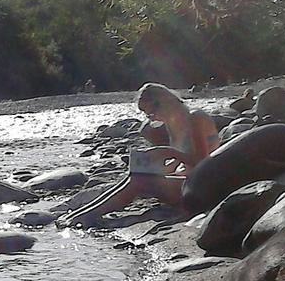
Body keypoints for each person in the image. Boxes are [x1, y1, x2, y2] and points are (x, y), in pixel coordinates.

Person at [59, 83, 220, 228]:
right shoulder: (173, 123)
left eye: (150, 113)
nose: (151, 118)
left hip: (203, 187)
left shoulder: (195, 118)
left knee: (140, 180)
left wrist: (168, 152)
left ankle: (87, 216)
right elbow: (184, 163)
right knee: (135, 175)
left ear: (164, 103)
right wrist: (157, 167)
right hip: (188, 181)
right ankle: (81, 213)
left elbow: (203, 163)